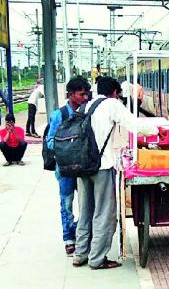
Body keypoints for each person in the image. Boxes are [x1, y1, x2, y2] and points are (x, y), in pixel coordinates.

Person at [73, 76, 159, 270]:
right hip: (101, 167)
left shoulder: (86, 105)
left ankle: (80, 254)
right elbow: (134, 125)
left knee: (85, 211)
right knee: (104, 213)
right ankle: (97, 258)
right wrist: (156, 131)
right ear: (114, 92)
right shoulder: (111, 104)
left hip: (81, 166)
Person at [46, 77, 91, 256]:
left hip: (83, 168)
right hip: (64, 170)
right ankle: (69, 239)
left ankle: (80, 233)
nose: (85, 97)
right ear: (71, 94)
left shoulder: (87, 112)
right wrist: (68, 145)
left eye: (86, 94)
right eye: (82, 94)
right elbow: (50, 141)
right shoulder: (59, 115)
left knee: (87, 203)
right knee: (66, 203)